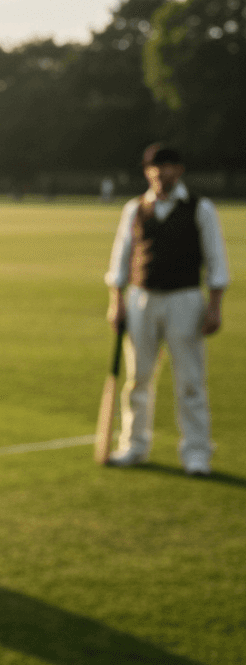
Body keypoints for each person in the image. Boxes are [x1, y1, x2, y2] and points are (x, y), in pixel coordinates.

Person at [104, 144, 230, 476]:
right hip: (141, 298)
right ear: (148, 172)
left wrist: (215, 306)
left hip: (185, 299)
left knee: (190, 380)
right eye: (156, 167)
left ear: (180, 170)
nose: (162, 173)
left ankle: (196, 453)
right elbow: (121, 257)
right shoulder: (135, 208)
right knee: (137, 379)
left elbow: (216, 260)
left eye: (169, 166)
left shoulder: (200, 208)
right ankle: (133, 445)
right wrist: (115, 302)